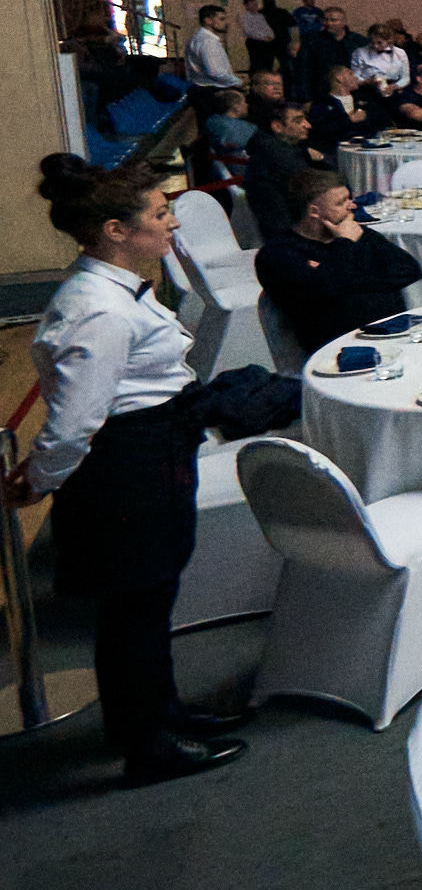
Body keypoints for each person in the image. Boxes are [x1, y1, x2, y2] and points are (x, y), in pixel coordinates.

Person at [9, 157, 252, 784]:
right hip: (128, 463)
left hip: (151, 447)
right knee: (134, 608)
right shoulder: (99, 308)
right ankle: (147, 746)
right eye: (160, 214)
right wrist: (42, 477)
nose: (173, 223)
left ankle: (161, 712)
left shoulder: (112, 291)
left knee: (151, 595)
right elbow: (76, 419)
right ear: (116, 230)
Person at [254, 171, 422, 352]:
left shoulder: (358, 234)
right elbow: (324, 293)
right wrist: (345, 244)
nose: (352, 205)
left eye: (348, 198)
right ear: (314, 212)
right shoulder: (277, 254)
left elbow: (410, 269)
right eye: (340, 202)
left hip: (395, 336)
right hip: (339, 350)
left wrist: (345, 278)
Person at [244, 101, 322, 242]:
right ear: (278, 127)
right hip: (289, 233)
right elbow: (314, 187)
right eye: (298, 121)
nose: (308, 125)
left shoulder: (269, 147)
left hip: (284, 223)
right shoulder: (280, 157)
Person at [306, 63, 369, 155]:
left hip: (365, 150)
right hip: (335, 153)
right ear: (339, 78)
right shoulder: (322, 103)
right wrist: (349, 120)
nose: (356, 77)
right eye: (350, 74)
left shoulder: (362, 99)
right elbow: (319, 130)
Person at [184, 4, 239, 94]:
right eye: (221, 19)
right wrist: (238, 82)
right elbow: (215, 72)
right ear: (208, 21)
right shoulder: (208, 41)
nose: (226, 23)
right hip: (211, 89)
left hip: (200, 87)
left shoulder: (197, 38)